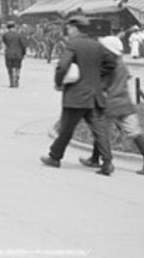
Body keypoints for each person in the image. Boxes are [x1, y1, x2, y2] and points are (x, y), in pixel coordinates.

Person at [41, 14, 116, 175]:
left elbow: (62, 66)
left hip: (76, 95)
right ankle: (107, 162)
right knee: (99, 130)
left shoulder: (73, 44)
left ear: (75, 28)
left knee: (67, 128)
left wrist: (59, 82)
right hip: (94, 95)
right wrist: (96, 74)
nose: (67, 31)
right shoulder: (97, 45)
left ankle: (54, 157)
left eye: (69, 28)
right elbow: (112, 63)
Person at [79, 35, 144, 175]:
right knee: (134, 132)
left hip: (110, 104)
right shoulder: (122, 64)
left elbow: (102, 84)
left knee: (101, 132)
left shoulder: (110, 65)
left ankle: (103, 162)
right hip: (125, 103)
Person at [1, 20, 28, 88]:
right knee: (17, 67)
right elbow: (23, 45)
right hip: (18, 54)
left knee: (9, 68)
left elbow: (5, 43)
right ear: (14, 26)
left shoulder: (5, 35)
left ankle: (11, 81)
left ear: (7, 27)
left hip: (9, 53)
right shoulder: (19, 35)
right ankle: (17, 76)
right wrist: (24, 53)